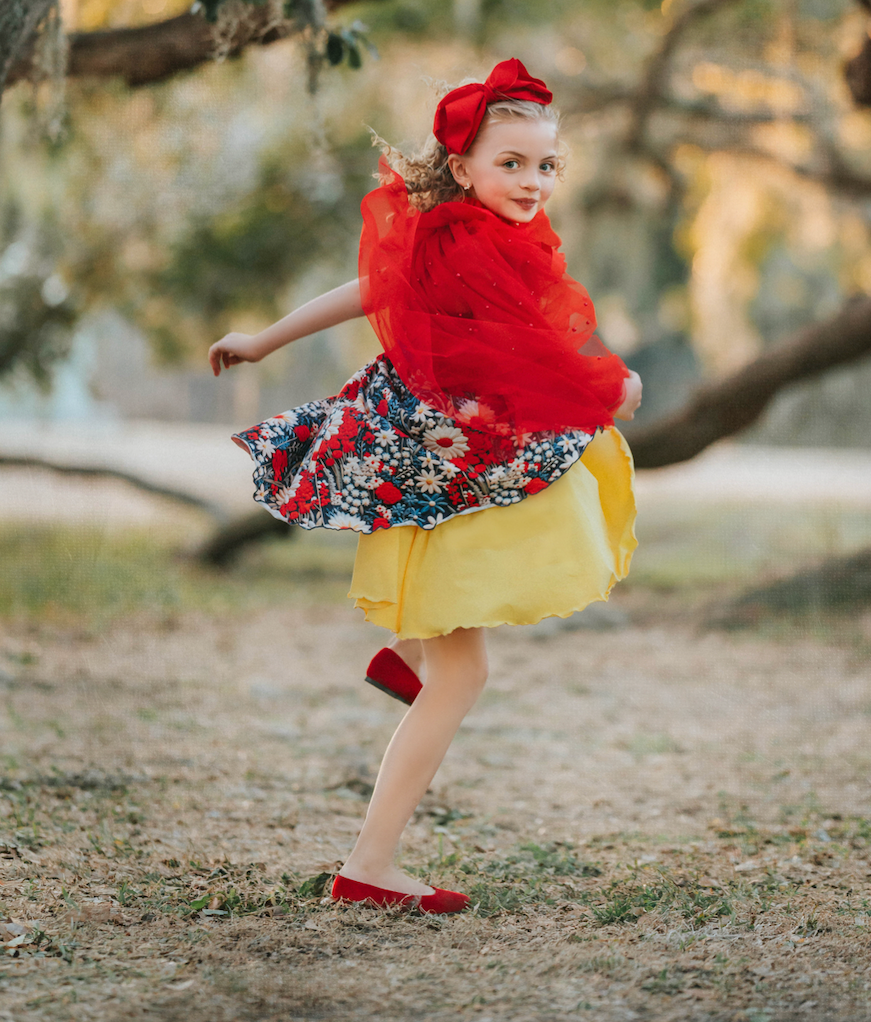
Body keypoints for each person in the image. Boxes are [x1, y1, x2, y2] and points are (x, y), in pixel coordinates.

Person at [208, 58, 642, 915]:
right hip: (443, 470)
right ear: (463, 168)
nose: (532, 181)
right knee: (465, 674)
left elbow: (395, 296)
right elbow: (533, 349)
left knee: (484, 591)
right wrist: (613, 385)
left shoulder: (462, 234)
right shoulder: (468, 243)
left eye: (546, 165)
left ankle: (403, 654)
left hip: (452, 466)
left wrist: (266, 338)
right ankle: (370, 864)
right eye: (510, 163)